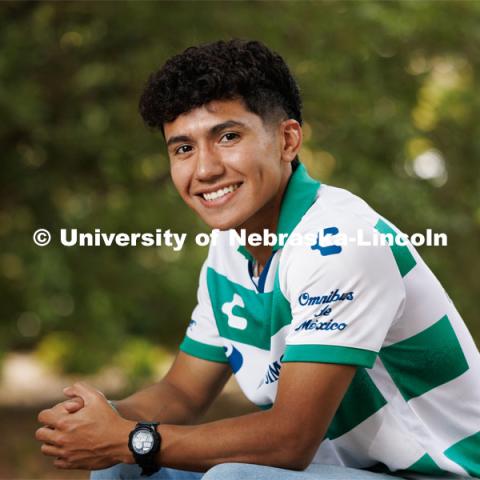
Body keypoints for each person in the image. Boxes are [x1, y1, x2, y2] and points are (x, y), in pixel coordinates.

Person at [36, 39, 480, 480]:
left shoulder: (342, 242)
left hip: (442, 474)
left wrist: (129, 439)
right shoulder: (231, 250)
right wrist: (97, 419)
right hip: (340, 473)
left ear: (287, 140)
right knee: (122, 468)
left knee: (232, 478)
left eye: (227, 136)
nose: (204, 169)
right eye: (183, 148)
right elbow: (181, 393)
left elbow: (289, 440)